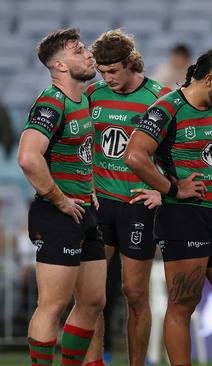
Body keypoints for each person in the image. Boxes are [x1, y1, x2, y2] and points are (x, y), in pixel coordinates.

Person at [123, 48, 212, 365]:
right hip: (183, 216)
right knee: (184, 302)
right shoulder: (167, 108)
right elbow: (134, 155)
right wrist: (172, 187)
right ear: (209, 79)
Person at [82, 29, 171, 366]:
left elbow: (176, 152)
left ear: (131, 63)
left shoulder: (159, 97)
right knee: (92, 295)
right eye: (102, 72)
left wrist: (163, 190)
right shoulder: (94, 95)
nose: (107, 78)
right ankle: (95, 362)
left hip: (137, 206)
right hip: (100, 203)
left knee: (134, 294)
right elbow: (80, 144)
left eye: (113, 71)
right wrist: (83, 182)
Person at [17, 28, 105, 365]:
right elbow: (28, 157)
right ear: (60, 65)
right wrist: (58, 198)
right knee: (52, 305)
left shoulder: (81, 99)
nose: (88, 54)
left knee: (93, 302)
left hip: (83, 211)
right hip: (57, 214)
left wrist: (90, 186)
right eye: (79, 51)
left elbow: (81, 152)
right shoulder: (51, 102)